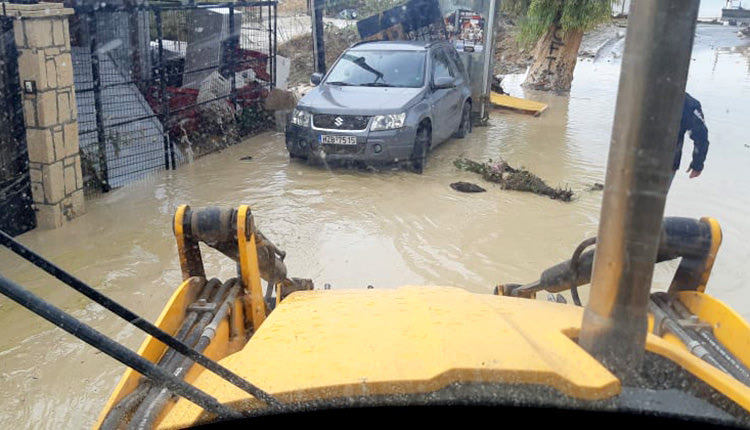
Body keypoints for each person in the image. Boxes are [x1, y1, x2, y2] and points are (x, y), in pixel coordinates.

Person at [671, 92, 709, 187]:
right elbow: (701, 136)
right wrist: (697, 164)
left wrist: (697, 164)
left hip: (634, 154)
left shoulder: (688, 104)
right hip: (668, 161)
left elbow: (701, 135)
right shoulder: (688, 103)